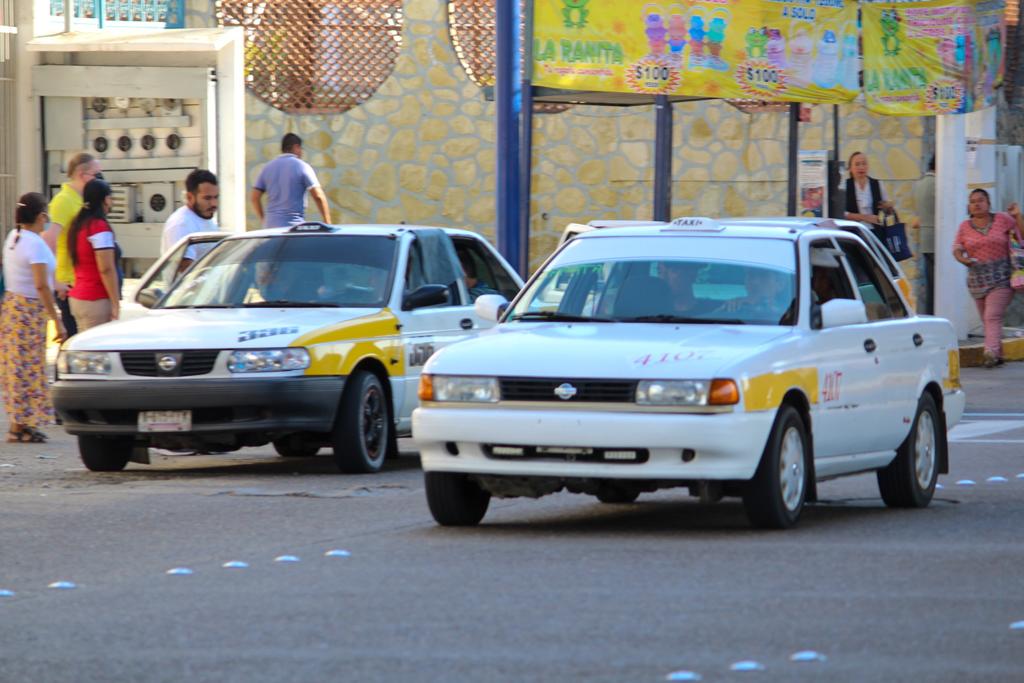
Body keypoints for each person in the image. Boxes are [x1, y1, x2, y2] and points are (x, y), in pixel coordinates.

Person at [1, 193, 66, 443]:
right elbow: (40, 285)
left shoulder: (14, 237)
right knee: (27, 368)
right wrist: (56, 319)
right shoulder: (35, 244)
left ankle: (21, 423)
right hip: (29, 311)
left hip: (13, 307)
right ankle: (19, 426)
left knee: (18, 367)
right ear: (41, 216)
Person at [952, 190, 1021, 368]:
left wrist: (1017, 216)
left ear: (988, 203)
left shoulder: (1002, 219)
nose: (977, 204)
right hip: (977, 282)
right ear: (969, 207)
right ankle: (998, 355)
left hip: (1002, 279)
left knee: (992, 315)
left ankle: (990, 352)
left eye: (981, 200)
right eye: (973, 201)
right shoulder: (964, 226)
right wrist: (962, 259)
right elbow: (957, 248)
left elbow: (1021, 236)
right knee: (988, 319)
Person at [47, 152, 103, 337]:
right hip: (68, 282)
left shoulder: (83, 199)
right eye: (96, 174)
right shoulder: (63, 200)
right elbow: (50, 239)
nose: (100, 179)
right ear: (81, 174)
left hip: (82, 280)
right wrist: (55, 280)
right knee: (73, 339)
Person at [67, 179, 120, 331]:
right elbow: (106, 268)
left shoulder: (78, 225)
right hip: (96, 299)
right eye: (110, 198)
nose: (111, 202)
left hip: (78, 296)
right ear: (105, 200)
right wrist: (115, 303)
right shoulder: (99, 227)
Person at [250, 133, 331, 228]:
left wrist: (264, 219)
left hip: (270, 228)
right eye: (301, 149)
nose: (301, 152)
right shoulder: (302, 167)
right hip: (293, 228)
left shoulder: (267, 168)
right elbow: (318, 196)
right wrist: (327, 222)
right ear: (296, 147)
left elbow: (254, 197)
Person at [161, 169, 219, 274]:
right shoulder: (181, 224)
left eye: (216, 197)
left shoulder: (207, 218)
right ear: (190, 197)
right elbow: (187, 270)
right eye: (207, 198)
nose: (214, 204)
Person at [844, 151, 895, 230]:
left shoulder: (877, 184)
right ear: (850, 168)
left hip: (875, 231)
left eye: (864, 163)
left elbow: (888, 212)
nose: (861, 167)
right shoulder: (845, 185)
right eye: (857, 164)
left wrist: (888, 208)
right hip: (853, 232)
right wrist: (864, 217)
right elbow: (841, 213)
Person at [912, 156, 936, 314]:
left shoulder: (919, 184)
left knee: (931, 284)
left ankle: (930, 313)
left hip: (925, 240)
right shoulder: (938, 184)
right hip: (937, 240)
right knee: (937, 286)